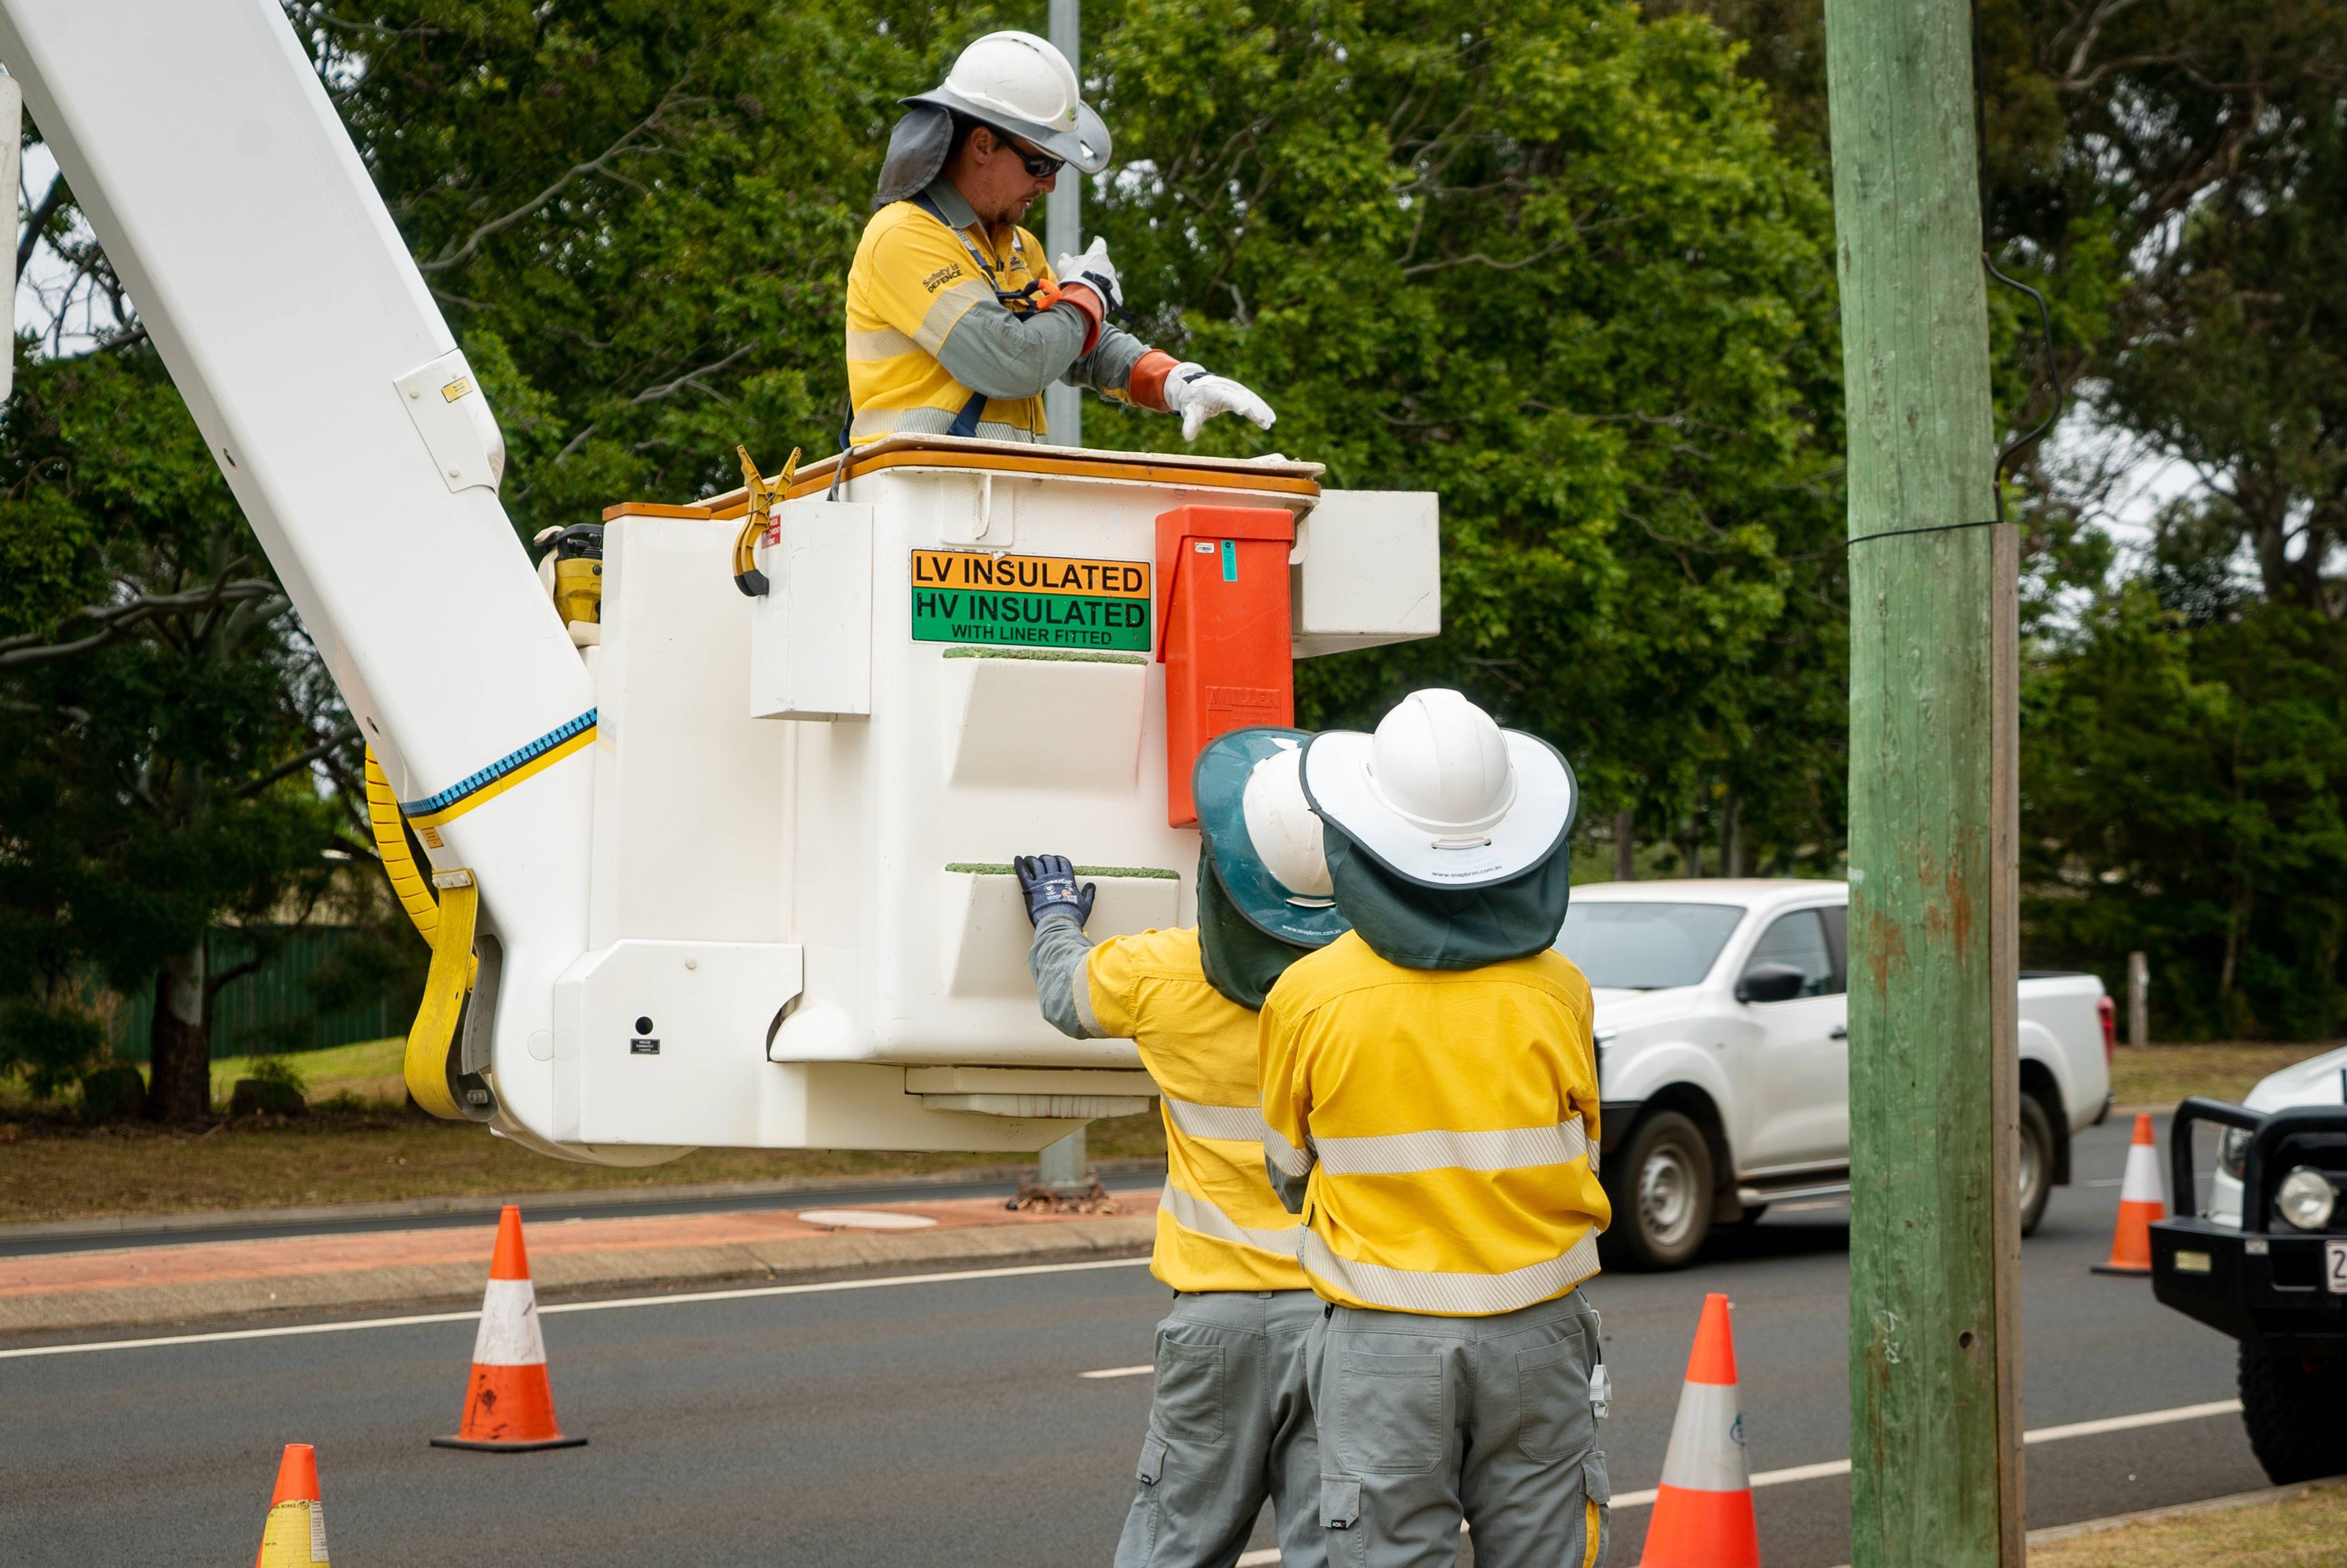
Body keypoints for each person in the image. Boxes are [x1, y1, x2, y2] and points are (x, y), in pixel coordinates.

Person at [1258, 688, 1613, 1568]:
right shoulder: (1557, 986)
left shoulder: (1304, 995)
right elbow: (1582, 1149)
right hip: (1537, 1328)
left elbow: (1287, 1169)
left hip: (1384, 1339)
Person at [1016, 728, 1346, 1568]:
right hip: (1345, 1311)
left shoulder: (1167, 973)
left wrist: (1055, 918)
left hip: (1218, 1317)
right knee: (1329, 1545)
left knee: (1177, 1542)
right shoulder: (1364, 992)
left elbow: (1065, 993)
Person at [845, 30, 1275, 446]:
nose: (1049, 186)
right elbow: (1012, 362)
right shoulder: (903, 235)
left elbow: (1072, 343)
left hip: (991, 495)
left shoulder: (1017, 247)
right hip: (913, 495)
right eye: (1039, 165)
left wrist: (1174, 382)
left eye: (1057, 168)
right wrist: (1086, 294)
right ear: (981, 145)